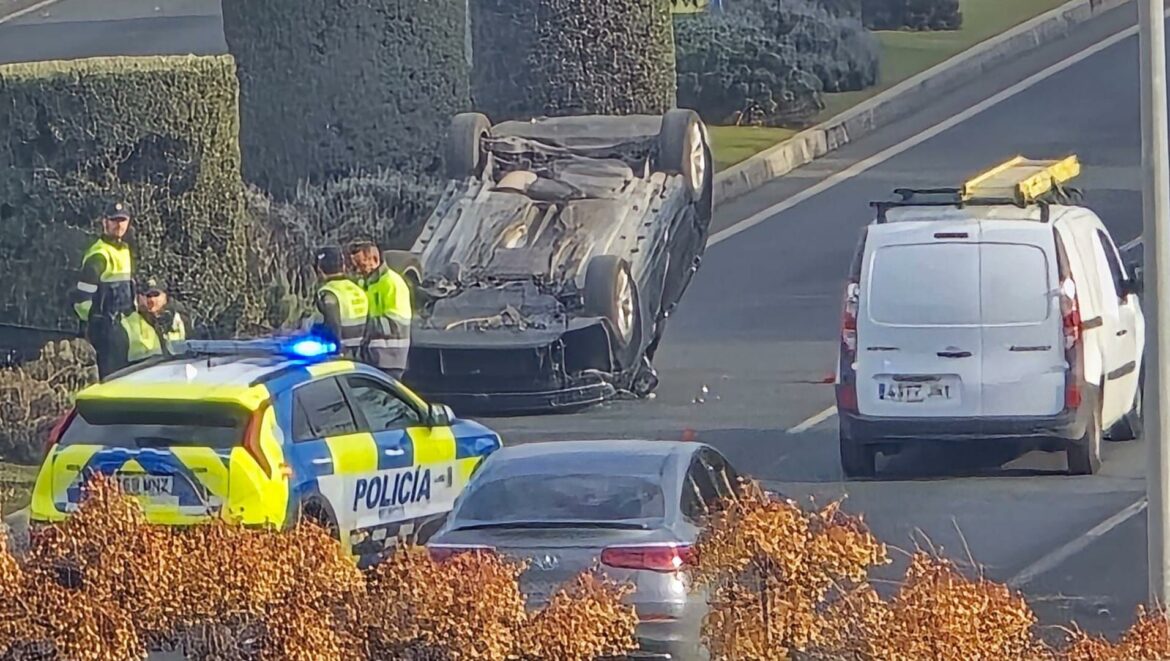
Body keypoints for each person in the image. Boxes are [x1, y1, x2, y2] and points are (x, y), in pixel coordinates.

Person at [69, 201, 136, 381]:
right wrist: (94, 327)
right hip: (105, 332)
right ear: (105, 222)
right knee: (110, 382)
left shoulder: (124, 250)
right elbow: (82, 301)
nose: (119, 225)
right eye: (114, 220)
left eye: (122, 220)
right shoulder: (98, 255)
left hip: (124, 329)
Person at [348, 241, 412, 380]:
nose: (358, 270)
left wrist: (358, 326)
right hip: (372, 357)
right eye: (355, 266)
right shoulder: (364, 283)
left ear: (375, 260)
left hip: (390, 359)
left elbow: (395, 324)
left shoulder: (392, 283)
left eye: (361, 265)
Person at [313, 245, 369, 359]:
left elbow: (333, 327)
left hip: (339, 356)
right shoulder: (358, 290)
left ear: (319, 269)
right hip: (359, 356)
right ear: (343, 266)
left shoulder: (328, 293)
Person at [123, 277, 188, 365]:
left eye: (156, 294)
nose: (152, 300)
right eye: (148, 296)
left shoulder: (181, 317)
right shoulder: (132, 321)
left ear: (165, 296)